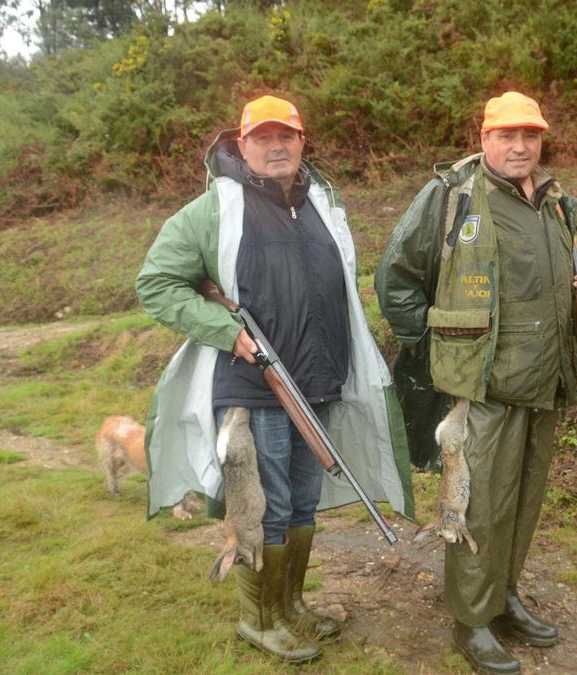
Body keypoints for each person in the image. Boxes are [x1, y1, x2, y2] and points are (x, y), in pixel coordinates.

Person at [136, 95, 415, 664]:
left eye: (285, 136)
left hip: (317, 381)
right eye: (261, 138)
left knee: (305, 503)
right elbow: (158, 283)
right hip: (253, 386)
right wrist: (224, 329)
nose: (275, 146)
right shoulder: (213, 210)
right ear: (242, 146)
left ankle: (291, 608)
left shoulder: (320, 204)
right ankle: (259, 619)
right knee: (267, 506)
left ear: (302, 141)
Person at [375, 91, 577, 674]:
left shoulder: (554, 202)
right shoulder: (451, 195)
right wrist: (435, 351)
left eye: (530, 135)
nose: (520, 145)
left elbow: (561, 269)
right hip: (482, 387)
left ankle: (503, 598)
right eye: (507, 135)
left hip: (545, 379)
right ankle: (470, 621)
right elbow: (395, 278)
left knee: (523, 502)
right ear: (484, 138)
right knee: (478, 506)